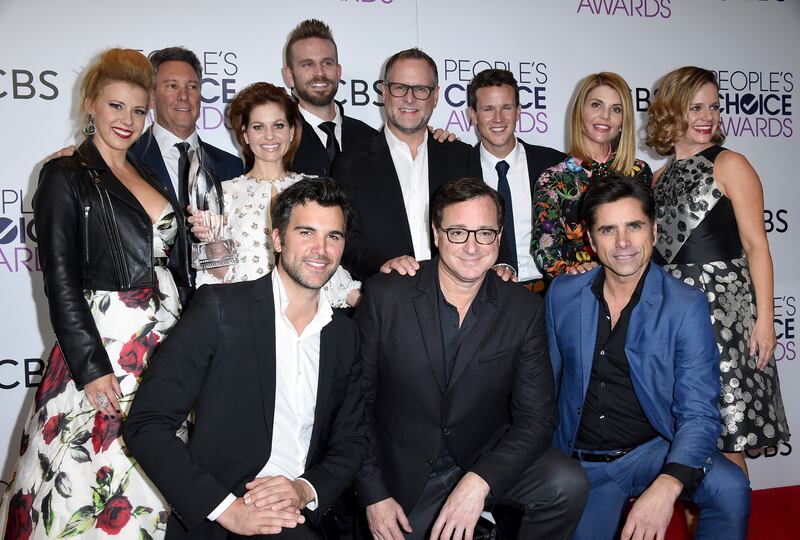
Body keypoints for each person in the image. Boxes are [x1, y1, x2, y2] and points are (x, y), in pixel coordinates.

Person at [1, 48, 191, 539]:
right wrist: (90, 368)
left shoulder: (148, 172)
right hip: (105, 346)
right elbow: (59, 281)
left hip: (163, 340)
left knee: (155, 473)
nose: (127, 121)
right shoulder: (64, 176)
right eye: (115, 107)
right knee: (85, 477)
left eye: (137, 110)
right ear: (90, 104)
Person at [124, 178, 368, 540]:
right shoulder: (220, 311)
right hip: (223, 519)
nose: (321, 248)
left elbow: (352, 441)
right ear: (277, 239)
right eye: (306, 232)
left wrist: (305, 489)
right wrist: (227, 510)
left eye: (334, 236)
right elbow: (146, 424)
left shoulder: (344, 335)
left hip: (306, 519)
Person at [354, 177, 588, 540]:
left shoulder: (522, 308)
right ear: (436, 233)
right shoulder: (387, 296)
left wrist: (480, 481)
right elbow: (354, 406)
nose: (472, 247)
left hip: (484, 457)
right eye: (458, 232)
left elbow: (537, 418)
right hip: (403, 471)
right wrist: (374, 495)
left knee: (565, 483)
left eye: (484, 233)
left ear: (500, 235)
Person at [546, 174, 750, 540]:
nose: (623, 242)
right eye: (608, 230)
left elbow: (699, 412)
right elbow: (545, 387)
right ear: (591, 241)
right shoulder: (562, 295)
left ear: (654, 231)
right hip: (583, 463)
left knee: (730, 486)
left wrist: (668, 483)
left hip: (652, 450)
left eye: (634, 226)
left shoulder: (684, 305)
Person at [646, 66, 790, 475]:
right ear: (670, 112)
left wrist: (765, 321)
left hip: (724, 316)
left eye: (713, 106)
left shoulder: (730, 164)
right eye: (695, 107)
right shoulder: (657, 178)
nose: (708, 116)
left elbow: (756, 246)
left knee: (727, 441)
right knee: (685, 441)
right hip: (673, 315)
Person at [193, 82, 361, 308]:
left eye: (278, 125)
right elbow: (218, 276)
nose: (269, 136)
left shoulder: (314, 187)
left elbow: (324, 256)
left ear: (291, 131)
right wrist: (211, 241)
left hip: (306, 314)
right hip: (244, 316)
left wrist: (364, 301)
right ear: (245, 134)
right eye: (258, 127)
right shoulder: (224, 194)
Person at [333, 48, 471, 281]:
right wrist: (383, 265)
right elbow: (344, 236)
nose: (410, 98)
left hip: (456, 295)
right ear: (384, 92)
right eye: (400, 88)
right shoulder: (350, 164)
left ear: (435, 96)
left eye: (420, 89)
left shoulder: (461, 157)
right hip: (385, 298)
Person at [532, 72, 652, 279]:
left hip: (636, 286)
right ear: (580, 111)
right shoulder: (553, 179)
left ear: (624, 120)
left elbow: (649, 236)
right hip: (581, 291)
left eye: (616, 109)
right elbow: (545, 248)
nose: (605, 116)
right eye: (596, 105)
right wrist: (572, 273)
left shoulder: (639, 171)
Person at [465, 68, 566, 292]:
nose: (498, 119)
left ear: (519, 111)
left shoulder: (554, 164)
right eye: (488, 109)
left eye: (507, 108)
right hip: (488, 297)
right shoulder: (458, 170)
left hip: (551, 293)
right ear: (473, 114)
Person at [282, 19, 378, 177]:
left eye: (327, 63)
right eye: (307, 64)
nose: (319, 73)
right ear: (290, 76)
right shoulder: (278, 142)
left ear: (338, 72)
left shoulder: (371, 139)